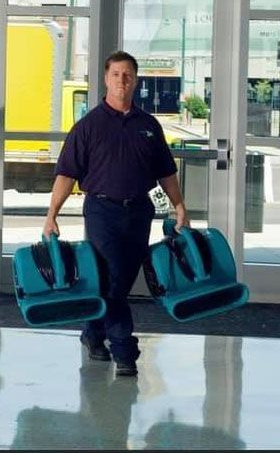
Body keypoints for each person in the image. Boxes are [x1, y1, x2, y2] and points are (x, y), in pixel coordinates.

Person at [43, 50, 188, 377]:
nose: (121, 80)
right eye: (115, 74)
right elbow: (66, 175)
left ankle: (93, 333)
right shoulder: (88, 127)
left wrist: (180, 207)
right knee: (111, 279)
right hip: (102, 211)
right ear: (105, 79)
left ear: (135, 80)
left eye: (127, 75)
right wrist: (52, 214)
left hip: (139, 212)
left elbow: (166, 173)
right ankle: (124, 352)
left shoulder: (149, 127)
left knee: (118, 282)